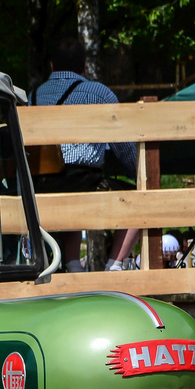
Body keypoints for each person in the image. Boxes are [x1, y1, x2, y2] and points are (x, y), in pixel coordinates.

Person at [30, 55, 138, 272]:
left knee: (65, 187)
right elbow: (124, 146)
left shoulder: (32, 96)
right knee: (138, 200)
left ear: (52, 65)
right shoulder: (99, 93)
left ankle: (72, 263)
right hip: (83, 182)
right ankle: (115, 265)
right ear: (85, 66)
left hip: (39, 185)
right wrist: (138, 173)